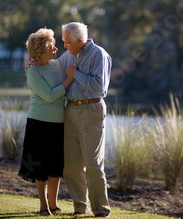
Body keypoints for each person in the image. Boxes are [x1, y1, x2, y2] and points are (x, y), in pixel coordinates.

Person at [18, 28, 75, 216]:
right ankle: (43, 206)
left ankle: (53, 204)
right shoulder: (33, 71)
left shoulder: (56, 64)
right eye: (52, 46)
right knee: (39, 168)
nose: (56, 49)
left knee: (56, 166)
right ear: (42, 51)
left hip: (58, 123)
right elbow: (50, 96)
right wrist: (68, 80)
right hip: (38, 123)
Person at [58, 22, 112, 218]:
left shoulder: (99, 55)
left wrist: (75, 75)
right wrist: (37, 65)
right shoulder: (69, 54)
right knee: (71, 165)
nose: (64, 46)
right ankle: (80, 207)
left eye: (67, 43)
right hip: (70, 110)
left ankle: (101, 210)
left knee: (93, 164)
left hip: (92, 109)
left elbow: (99, 87)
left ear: (79, 40)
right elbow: (56, 69)